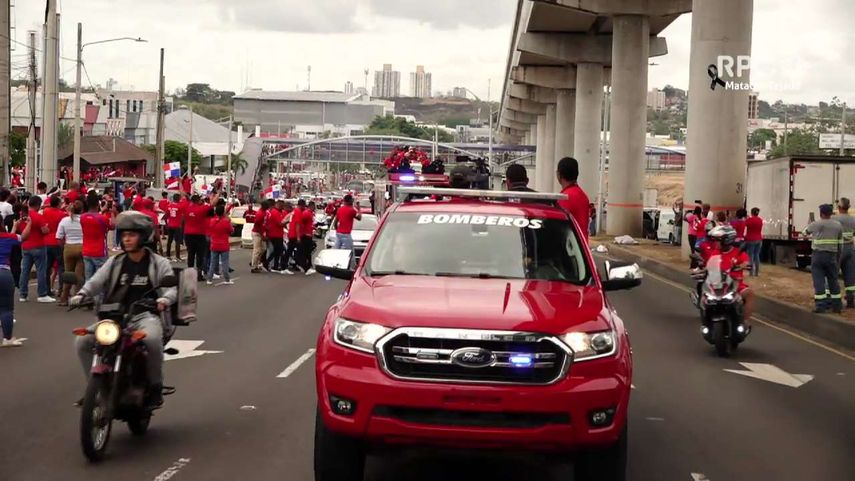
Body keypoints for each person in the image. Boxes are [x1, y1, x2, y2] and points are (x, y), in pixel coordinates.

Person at [72, 212, 176, 408]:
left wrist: (163, 300)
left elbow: (171, 288)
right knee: (82, 340)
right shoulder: (115, 262)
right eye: (124, 235)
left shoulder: (158, 263)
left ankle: (155, 385)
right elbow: (96, 281)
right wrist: (82, 294)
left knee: (152, 340)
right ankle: (95, 389)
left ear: (143, 236)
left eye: (132, 235)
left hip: (145, 317)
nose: (126, 239)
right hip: (113, 317)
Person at [804, 204, 844, 313]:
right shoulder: (838, 225)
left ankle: (821, 306)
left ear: (821, 213)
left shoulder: (816, 224)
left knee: (819, 281)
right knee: (833, 280)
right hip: (832, 256)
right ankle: (837, 306)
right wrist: (838, 258)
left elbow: (805, 232)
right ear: (831, 213)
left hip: (818, 255)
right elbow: (840, 244)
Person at [0, 217, 31, 347]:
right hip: (4, 272)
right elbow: (22, 237)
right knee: (6, 309)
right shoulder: (8, 237)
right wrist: (29, 223)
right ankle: (7, 338)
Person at [17, 196, 54, 303]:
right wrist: (48, 228)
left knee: (25, 271)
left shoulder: (23, 216)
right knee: (41, 270)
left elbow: (20, 228)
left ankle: (23, 294)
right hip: (38, 245)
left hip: (26, 245)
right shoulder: (38, 217)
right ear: (38, 205)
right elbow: (45, 230)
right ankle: (42, 293)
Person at [80, 195, 115, 281]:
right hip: (99, 252)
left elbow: (93, 218)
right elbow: (113, 226)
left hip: (86, 251)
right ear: (97, 204)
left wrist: (102, 210)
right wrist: (112, 212)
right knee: (101, 280)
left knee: (88, 279)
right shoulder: (103, 218)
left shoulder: (82, 217)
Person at [56, 201, 85, 306]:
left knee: (68, 274)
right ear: (82, 210)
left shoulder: (64, 221)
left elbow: (59, 237)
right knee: (79, 275)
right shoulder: (84, 220)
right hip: (82, 247)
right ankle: (77, 298)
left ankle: (64, 298)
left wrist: (64, 246)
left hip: (68, 247)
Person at [184, 193, 218, 280]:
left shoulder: (187, 207)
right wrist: (218, 194)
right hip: (199, 235)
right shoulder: (202, 208)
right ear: (198, 201)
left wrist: (180, 183)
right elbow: (213, 204)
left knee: (190, 254)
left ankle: (190, 275)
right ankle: (199, 275)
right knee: (200, 255)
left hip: (188, 234)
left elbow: (182, 194)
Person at [555, 157, 590, 238]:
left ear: (559, 174)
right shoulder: (582, 195)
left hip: (569, 246)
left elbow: (559, 228)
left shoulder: (564, 198)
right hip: (581, 246)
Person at [42, 195, 67, 296]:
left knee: (47, 267)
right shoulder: (62, 214)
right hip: (58, 241)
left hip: (46, 241)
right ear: (58, 204)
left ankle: (47, 290)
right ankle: (61, 290)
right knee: (61, 267)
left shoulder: (45, 212)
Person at [832, 198, 854, 309]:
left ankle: (833, 299)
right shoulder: (853, 220)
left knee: (832, 274)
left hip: (838, 249)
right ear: (848, 207)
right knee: (850, 275)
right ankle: (851, 299)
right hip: (850, 249)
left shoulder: (833, 219)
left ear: (839, 207)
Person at [207, 204, 234, 285]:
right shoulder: (226, 222)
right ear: (223, 213)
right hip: (224, 245)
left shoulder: (212, 221)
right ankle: (227, 279)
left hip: (214, 244)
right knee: (225, 263)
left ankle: (209, 279)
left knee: (212, 263)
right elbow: (231, 231)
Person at [265, 200, 286, 273]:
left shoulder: (277, 212)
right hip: (275, 234)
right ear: (279, 204)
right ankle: (267, 263)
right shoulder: (275, 212)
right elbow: (280, 224)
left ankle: (275, 266)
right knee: (278, 250)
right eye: (282, 205)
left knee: (278, 251)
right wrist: (287, 221)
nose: (283, 207)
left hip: (278, 234)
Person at [164, 193, 185, 262]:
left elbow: (166, 216)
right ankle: (177, 256)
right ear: (178, 199)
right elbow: (182, 216)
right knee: (177, 241)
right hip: (177, 225)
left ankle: (168, 255)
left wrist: (166, 224)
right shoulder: (180, 206)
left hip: (170, 225)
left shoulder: (169, 206)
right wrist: (181, 224)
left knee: (169, 240)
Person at [250, 200, 269, 273]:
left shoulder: (264, 212)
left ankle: (256, 261)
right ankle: (254, 266)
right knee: (257, 250)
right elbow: (257, 225)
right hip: (257, 233)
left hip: (261, 232)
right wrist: (262, 235)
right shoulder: (260, 213)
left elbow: (263, 224)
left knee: (263, 249)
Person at [744, 207, 764, 276]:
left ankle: (751, 272)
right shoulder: (760, 220)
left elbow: (744, 225)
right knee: (757, 255)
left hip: (750, 239)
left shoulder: (749, 220)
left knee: (750, 256)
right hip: (759, 239)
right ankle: (757, 273)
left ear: (751, 212)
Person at [299, 200, 317, 276]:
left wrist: (312, 227)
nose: (314, 208)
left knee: (308, 251)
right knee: (305, 252)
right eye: (314, 207)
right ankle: (306, 266)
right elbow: (301, 223)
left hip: (309, 234)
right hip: (305, 235)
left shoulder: (310, 213)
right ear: (310, 206)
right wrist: (303, 232)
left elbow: (308, 223)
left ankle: (308, 265)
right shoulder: (306, 213)